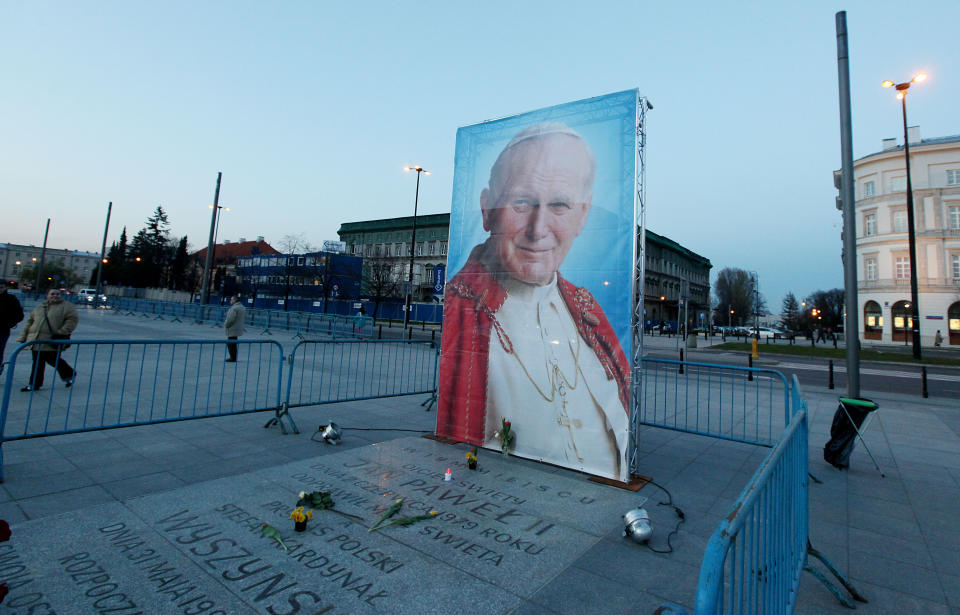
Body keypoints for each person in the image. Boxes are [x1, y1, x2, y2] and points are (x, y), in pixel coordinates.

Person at [437, 122, 630, 480]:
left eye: (559, 205)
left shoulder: (587, 313)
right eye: (522, 202)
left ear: (583, 215)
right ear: (487, 209)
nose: (538, 228)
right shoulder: (464, 310)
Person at [17, 288, 78, 391]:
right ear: (47, 295)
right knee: (37, 362)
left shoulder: (67, 307)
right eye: (52, 294)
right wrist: (23, 336)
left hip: (52, 339)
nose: (55, 295)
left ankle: (69, 373)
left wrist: (61, 332)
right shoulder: (40, 307)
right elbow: (30, 321)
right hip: (36, 340)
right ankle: (34, 384)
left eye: (57, 294)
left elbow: (72, 320)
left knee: (53, 360)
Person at [0, 281, 24, 375]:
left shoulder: (11, 299)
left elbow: (19, 315)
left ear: (6, 288)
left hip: (2, 330)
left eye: (1, 287)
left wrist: (8, 323)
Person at [224, 295, 246, 362]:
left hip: (232, 328)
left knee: (231, 344)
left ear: (234, 300)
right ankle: (234, 357)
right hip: (238, 328)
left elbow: (230, 319)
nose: (230, 301)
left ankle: (232, 358)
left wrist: (226, 325)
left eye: (231, 300)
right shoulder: (242, 307)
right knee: (234, 344)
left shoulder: (234, 308)